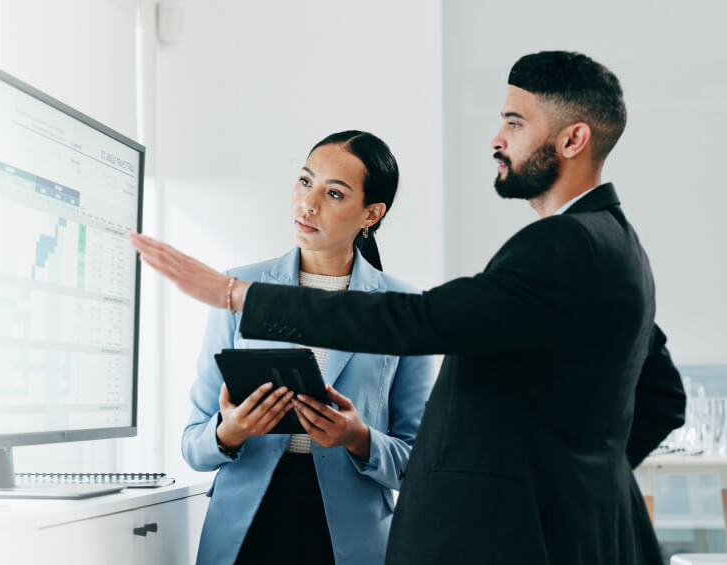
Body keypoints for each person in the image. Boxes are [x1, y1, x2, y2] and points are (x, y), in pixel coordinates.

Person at [133, 51, 685, 564]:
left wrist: (240, 300)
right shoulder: (619, 246)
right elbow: (664, 399)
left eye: (515, 123)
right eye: (305, 181)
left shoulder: (564, 245)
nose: (497, 139)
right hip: (249, 530)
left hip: (380, 535)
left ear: (573, 139)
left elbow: (418, 322)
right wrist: (580, 478)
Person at [182, 131, 434, 565]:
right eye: (304, 181)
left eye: (334, 193)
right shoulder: (239, 291)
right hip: (246, 531)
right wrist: (231, 431)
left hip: (348, 537)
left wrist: (359, 439)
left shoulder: (404, 311)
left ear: (370, 213)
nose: (308, 204)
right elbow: (192, 444)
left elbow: (420, 464)